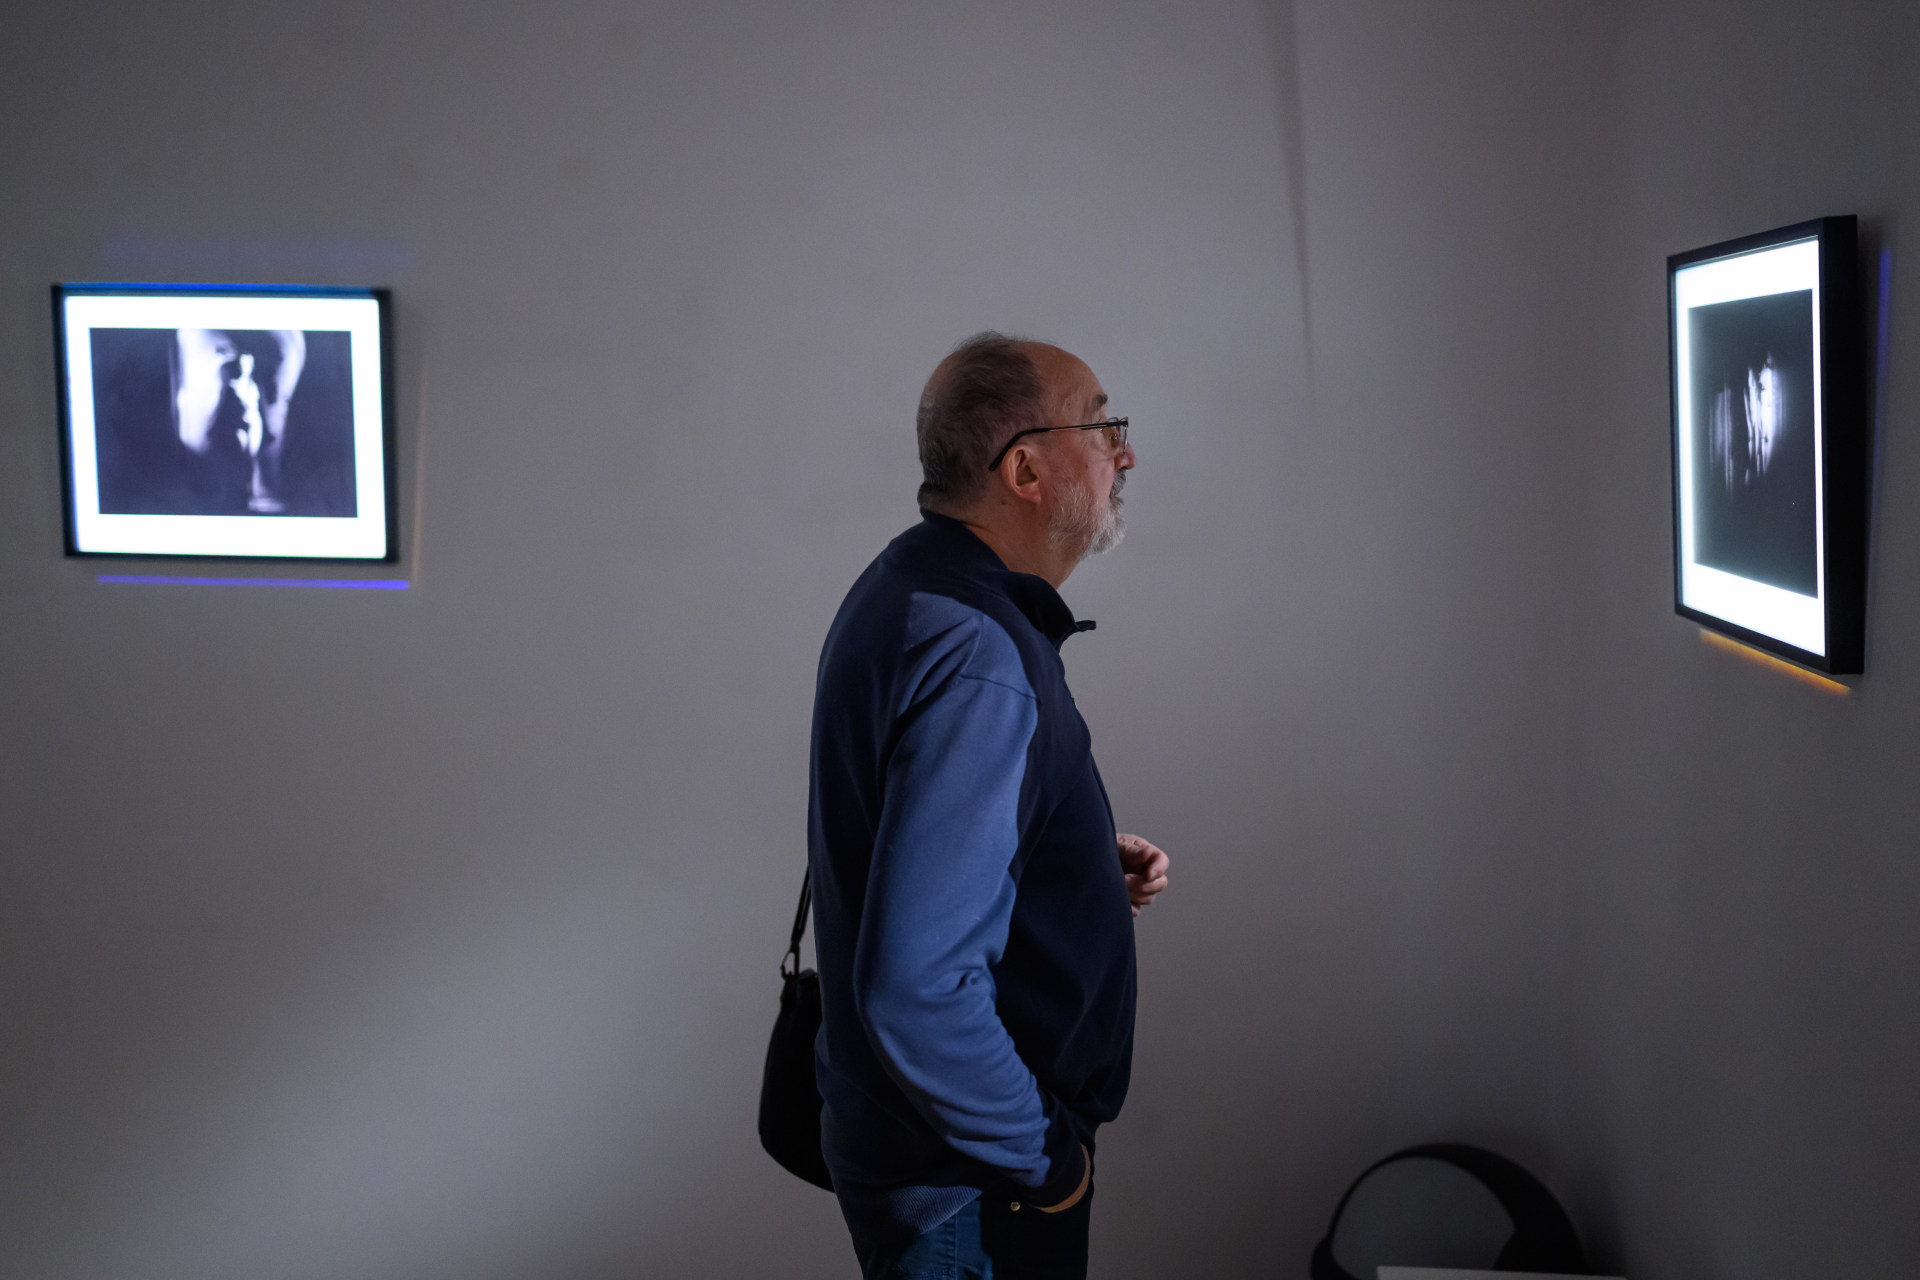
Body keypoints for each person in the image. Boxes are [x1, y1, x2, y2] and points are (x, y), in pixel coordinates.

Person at [807, 332, 1171, 1279]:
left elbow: (908, 843)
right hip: (977, 1190)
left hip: (935, 1169)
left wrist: (1073, 869)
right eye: (1102, 427)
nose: (1125, 454)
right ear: (1025, 471)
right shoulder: (978, 650)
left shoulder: (908, 587)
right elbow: (917, 988)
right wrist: (1051, 1166)